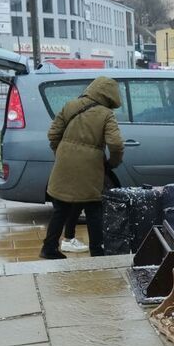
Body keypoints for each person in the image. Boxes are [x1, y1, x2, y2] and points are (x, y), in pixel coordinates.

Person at [40, 77, 124, 259]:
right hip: (90, 168)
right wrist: (112, 163)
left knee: (60, 209)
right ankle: (97, 251)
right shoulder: (106, 114)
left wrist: (61, 153)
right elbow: (116, 144)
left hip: (63, 164)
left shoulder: (70, 105)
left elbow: (53, 134)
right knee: (94, 208)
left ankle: (49, 248)